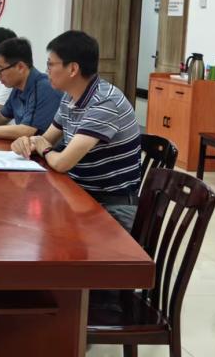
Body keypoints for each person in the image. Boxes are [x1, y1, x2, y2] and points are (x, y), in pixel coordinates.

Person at [11, 31, 142, 229]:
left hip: (111, 206)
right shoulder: (69, 97)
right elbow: (46, 138)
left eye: (50, 65)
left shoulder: (105, 103)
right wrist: (26, 142)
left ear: (73, 69)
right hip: (79, 193)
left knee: (42, 231)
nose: (46, 71)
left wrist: (43, 147)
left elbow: (62, 162)